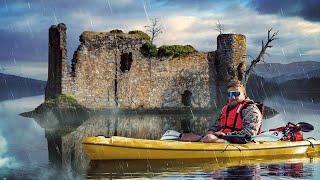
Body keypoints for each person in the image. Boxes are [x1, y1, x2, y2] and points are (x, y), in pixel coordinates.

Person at [180, 80, 263, 143]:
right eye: (229, 94)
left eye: (236, 94)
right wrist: (210, 132)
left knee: (209, 138)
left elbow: (249, 134)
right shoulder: (225, 109)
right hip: (222, 138)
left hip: (239, 142)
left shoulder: (251, 110)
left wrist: (225, 136)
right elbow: (217, 125)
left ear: (244, 95)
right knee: (185, 136)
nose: (232, 97)